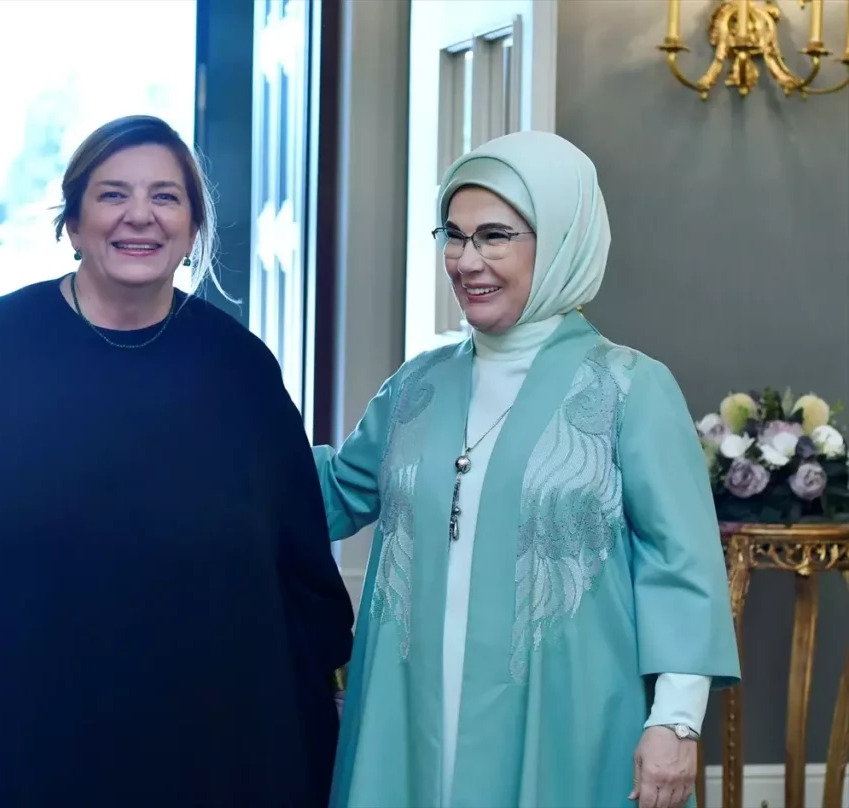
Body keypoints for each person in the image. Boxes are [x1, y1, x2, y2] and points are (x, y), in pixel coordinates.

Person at [0, 114, 354, 808]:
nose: (139, 216)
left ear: (192, 227)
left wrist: (328, 693)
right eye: (113, 194)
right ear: (73, 222)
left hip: (207, 735)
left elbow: (298, 560)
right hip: (15, 725)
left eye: (165, 196)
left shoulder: (240, 369)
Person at [314, 131, 740, 808]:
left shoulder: (628, 388)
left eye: (494, 236)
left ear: (563, 240)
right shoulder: (416, 387)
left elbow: (682, 564)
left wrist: (676, 722)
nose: (466, 261)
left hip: (570, 719)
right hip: (411, 713)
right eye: (454, 236)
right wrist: (222, 430)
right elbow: (328, 494)